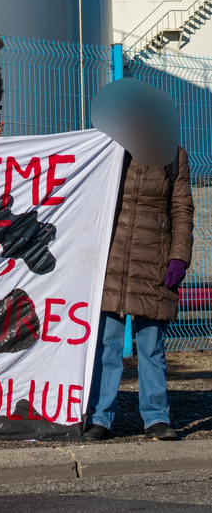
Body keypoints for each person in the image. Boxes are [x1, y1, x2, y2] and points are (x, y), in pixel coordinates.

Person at [84, 145, 194, 441]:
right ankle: (99, 418)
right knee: (107, 347)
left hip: (155, 263)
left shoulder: (173, 155)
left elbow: (182, 208)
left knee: (152, 348)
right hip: (113, 262)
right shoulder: (110, 149)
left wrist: (179, 257)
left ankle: (156, 417)